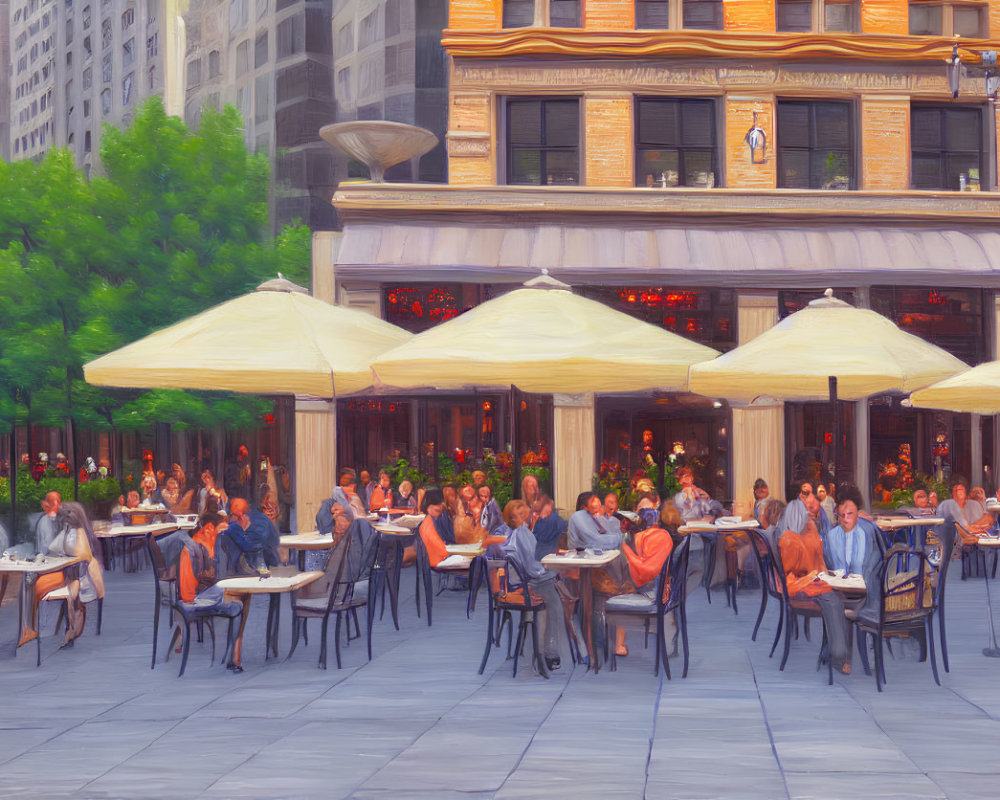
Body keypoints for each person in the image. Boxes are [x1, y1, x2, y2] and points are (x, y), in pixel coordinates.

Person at [776, 498, 851, 674]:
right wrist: (813, 577)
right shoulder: (788, 540)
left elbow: (820, 559)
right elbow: (789, 577)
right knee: (833, 602)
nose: (810, 516)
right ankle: (839, 657)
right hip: (800, 586)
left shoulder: (810, 528)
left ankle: (831, 651)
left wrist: (827, 575)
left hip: (817, 579)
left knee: (843, 597)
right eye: (806, 512)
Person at [499, 499, 569, 672]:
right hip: (523, 585)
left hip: (520, 581)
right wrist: (550, 569)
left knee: (554, 591)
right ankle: (547, 653)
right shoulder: (523, 534)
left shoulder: (517, 533)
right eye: (519, 516)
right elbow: (532, 568)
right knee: (554, 598)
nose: (529, 517)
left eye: (527, 513)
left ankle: (546, 652)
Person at [220, 497, 280, 573]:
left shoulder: (234, 527)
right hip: (262, 565)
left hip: (255, 566)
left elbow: (253, 545)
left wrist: (241, 530)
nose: (231, 518)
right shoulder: (261, 519)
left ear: (240, 515)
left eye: (232, 515)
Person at [938, 476, 993, 548]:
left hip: (975, 540)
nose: (977, 494)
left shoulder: (974, 505)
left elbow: (987, 521)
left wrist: (974, 529)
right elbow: (963, 528)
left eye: (961, 489)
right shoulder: (949, 506)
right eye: (957, 490)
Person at [531, 494, 566, 560]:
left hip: (542, 557)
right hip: (549, 555)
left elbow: (537, 538)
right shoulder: (555, 519)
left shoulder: (549, 520)